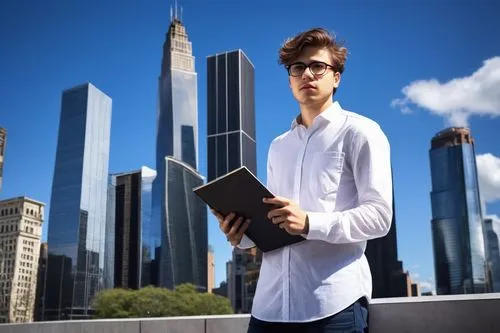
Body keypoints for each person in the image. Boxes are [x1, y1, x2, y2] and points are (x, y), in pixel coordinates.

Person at [211, 27, 392, 333]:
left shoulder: (361, 132)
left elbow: (379, 217)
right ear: (290, 79)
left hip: (333, 308)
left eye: (318, 66)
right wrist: (241, 235)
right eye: (297, 67)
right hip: (268, 311)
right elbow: (273, 223)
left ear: (336, 77)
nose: (307, 73)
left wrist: (310, 222)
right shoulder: (279, 146)